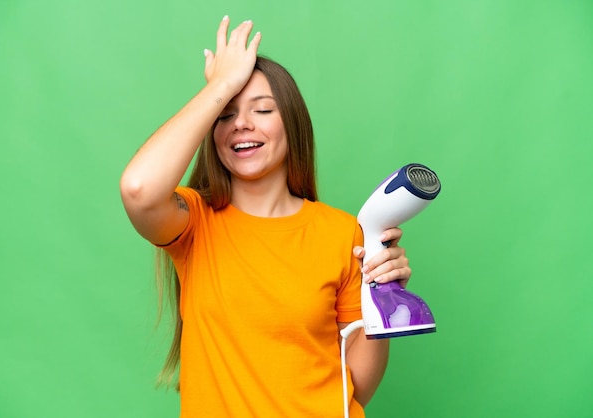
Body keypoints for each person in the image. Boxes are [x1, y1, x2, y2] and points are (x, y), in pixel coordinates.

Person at [120, 16, 412, 418]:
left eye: (262, 110)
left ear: (291, 124)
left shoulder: (344, 233)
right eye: (226, 114)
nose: (241, 124)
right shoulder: (194, 223)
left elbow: (354, 385)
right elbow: (139, 188)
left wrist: (382, 296)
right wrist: (219, 86)